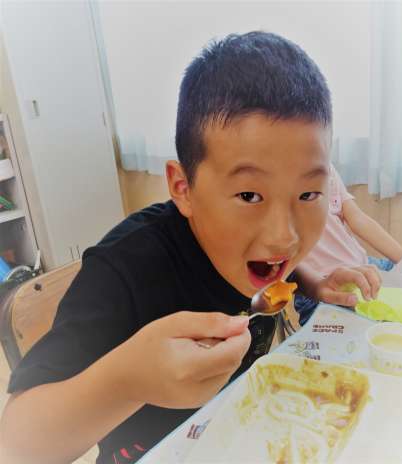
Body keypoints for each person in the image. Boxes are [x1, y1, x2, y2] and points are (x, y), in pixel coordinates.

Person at [0, 31, 380, 464]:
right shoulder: (124, 270)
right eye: (250, 196)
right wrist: (127, 380)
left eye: (308, 194)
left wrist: (313, 282)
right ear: (183, 187)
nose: (285, 236)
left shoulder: (259, 249)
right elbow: (17, 445)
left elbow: (279, 265)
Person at [295, 163, 402, 324]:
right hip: (320, 285)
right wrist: (317, 285)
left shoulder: (325, 166)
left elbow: (358, 219)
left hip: (363, 265)